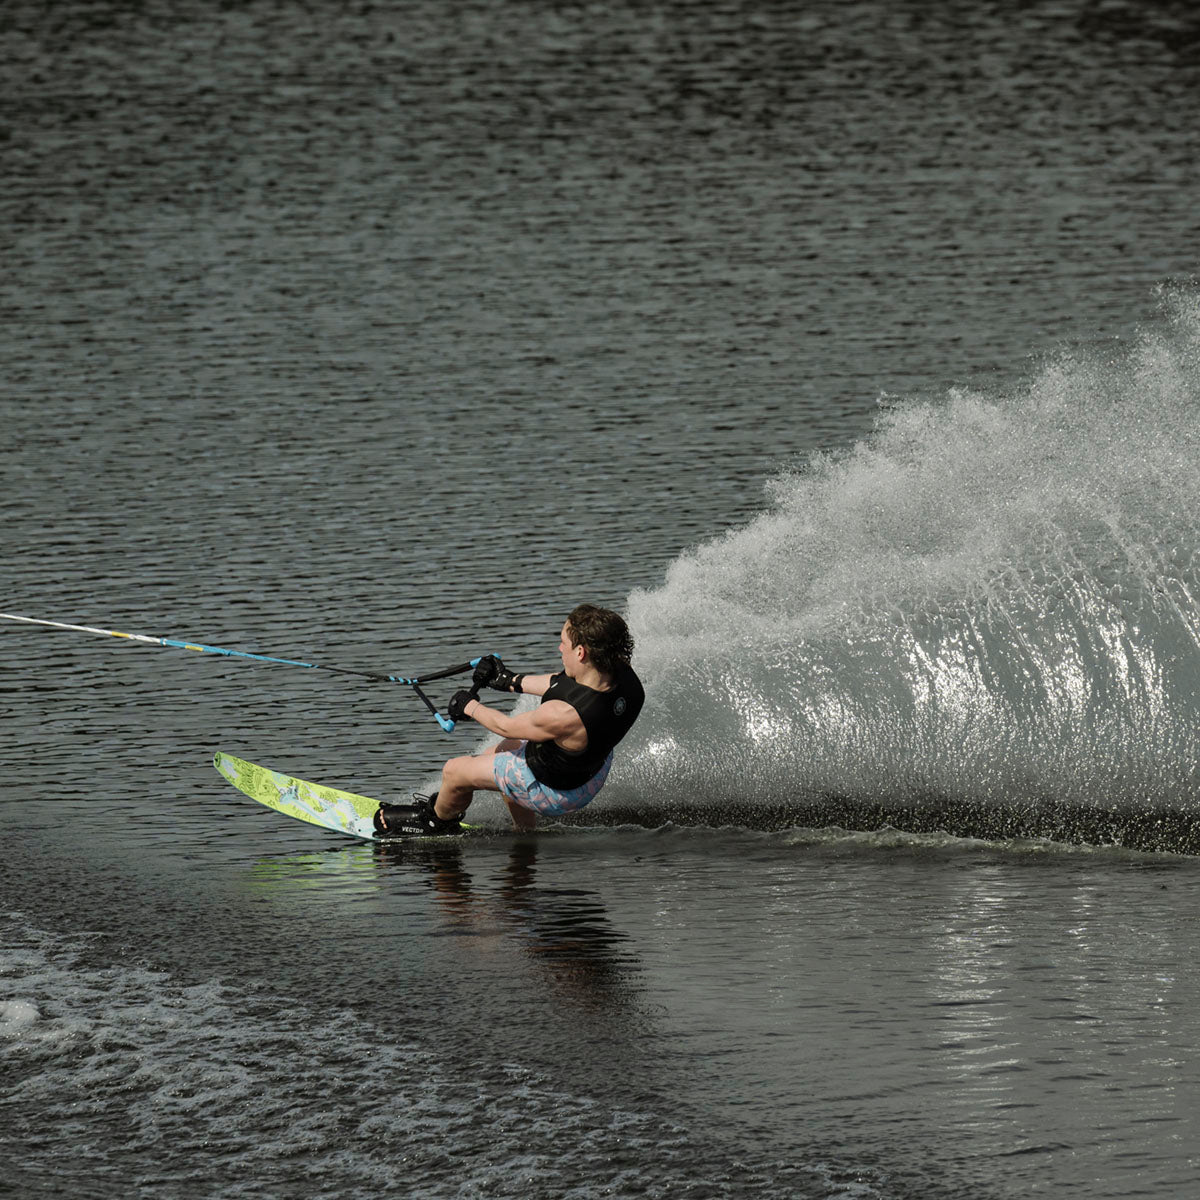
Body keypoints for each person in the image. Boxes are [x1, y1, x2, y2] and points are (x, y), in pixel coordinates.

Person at [374, 605, 644, 836]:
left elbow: (506, 725)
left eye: (564, 642)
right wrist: (508, 681)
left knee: (455, 772)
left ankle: (434, 822)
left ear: (581, 652)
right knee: (501, 751)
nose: (559, 647)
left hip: (558, 793)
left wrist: (470, 707)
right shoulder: (620, 674)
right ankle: (525, 832)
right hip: (591, 772)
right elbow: (562, 684)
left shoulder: (564, 716)